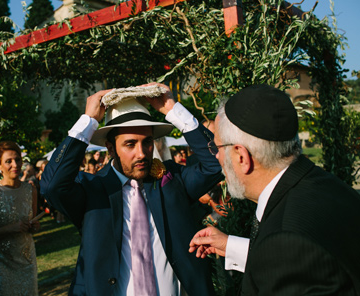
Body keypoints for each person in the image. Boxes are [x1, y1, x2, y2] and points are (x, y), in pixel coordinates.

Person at [40, 83, 221, 296]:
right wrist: (88, 122)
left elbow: (216, 163)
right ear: (110, 147)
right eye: (130, 144)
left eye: (147, 142)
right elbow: (52, 186)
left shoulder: (172, 180)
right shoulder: (92, 190)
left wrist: (173, 109)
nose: (142, 153)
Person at [188, 84, 360, 295]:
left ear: (242, 157)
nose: (216, 157)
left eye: (217, 148)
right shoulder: (324, 184)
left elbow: (291, 253)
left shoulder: (286, 241)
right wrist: (233, 247)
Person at [0, 141, 39, 295]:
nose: (15, 164)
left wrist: (34, 227)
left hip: (26, 261)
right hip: (0, 265)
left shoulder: (30, 189)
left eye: (17, 159)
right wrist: (11, 228)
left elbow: (34, 221)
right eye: (8, 161)